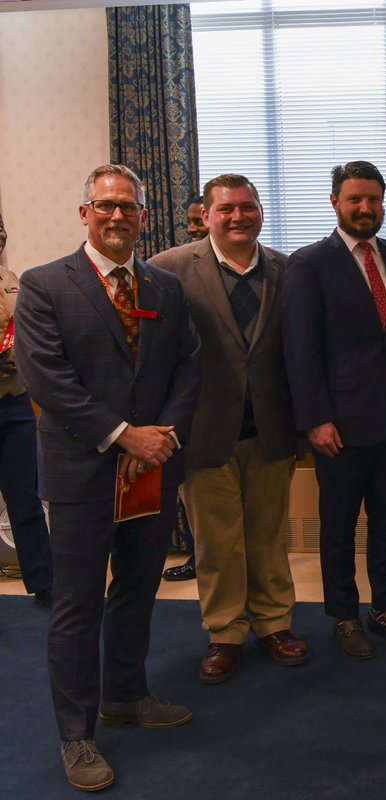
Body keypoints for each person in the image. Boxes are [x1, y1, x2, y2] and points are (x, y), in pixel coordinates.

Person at [14, 164, 201, 792]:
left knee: (138, 587)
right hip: (81, 472)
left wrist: (161, 437)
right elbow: (48, 379)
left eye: (129, 207)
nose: (117, 216)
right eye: (105, 205)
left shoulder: (165, 288)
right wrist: (125, 435)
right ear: (84, 212)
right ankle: (77, 734)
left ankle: (126, 694)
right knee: (77, 604)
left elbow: (188, 369)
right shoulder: (44, 286)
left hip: (150, 470)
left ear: (144, 216)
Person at [150, 174, 307, 684]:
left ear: (261, 210)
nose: (238, 217)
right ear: (206, 215)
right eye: (226, 210)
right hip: (202, 432)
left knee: (266, 537)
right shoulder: (168, 270)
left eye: (247, 207)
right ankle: (224, 632)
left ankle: (275, 623)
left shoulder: (289, 270)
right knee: (216, 546)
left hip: (271, 431)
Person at [282, 161, 386, 661]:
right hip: (337, 426)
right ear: (335, 202)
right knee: (338, 529)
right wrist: (315, 419)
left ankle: (385, 607)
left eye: (374, 200)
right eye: (355, 199)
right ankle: (343, 616)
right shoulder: (308, 264)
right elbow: (300, 350)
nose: (365, 208)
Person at [0, 212, 54, 608]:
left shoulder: (11, 278)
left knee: (26, 499)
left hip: (13, 402)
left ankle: (44, 581)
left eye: (0, 230)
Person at [163, 192, 207, 583]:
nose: (193, 228)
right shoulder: (167, 267)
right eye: (190, 221)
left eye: (199, 220)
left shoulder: (275, 265)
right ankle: (195, 555)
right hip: (184, 409)